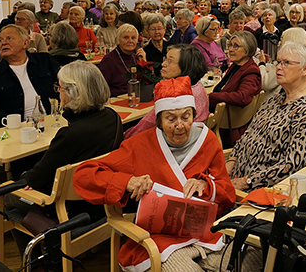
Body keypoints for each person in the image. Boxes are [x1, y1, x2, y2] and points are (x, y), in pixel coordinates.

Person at [73, 76, 235, 272]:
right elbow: (83, 175)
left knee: (249, 257)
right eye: (170, 119)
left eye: (186, 117)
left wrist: (206, 186)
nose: (180, 125)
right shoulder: (140, 145)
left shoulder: (207, 140)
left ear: (194, 114)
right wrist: (127, 181)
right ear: (158, 121)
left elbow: (228, 193)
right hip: (158, 240)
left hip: (204, 234)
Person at [7, 61, 123, 253]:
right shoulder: (113, 117)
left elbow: (36, 178)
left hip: (71, 209)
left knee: (8, 196)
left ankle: (41, 257)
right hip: (103, 198)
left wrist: (26, 178)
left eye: (59, 88)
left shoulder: (70, 134)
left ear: (72, 92)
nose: (57, 93)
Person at [228, 42, 306, 190]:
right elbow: (247, 137)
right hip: (234, 184)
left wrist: (245, 182)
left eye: (286, 63)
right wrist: (228, 167)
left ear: (305, 69)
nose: (279, 67)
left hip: (265, 194)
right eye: (278, 62)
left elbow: (292, 166)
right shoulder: (273, 100)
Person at [0, 25, 60, 128]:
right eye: (0, 40)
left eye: (9, 38)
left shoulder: (45, 61)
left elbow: (64, 86)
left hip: (53, 121)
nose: (3, 43)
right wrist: (8, 121)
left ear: (25, 43)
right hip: (16, 127)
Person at [124, 44, 209, 139]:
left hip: (170, 146)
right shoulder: (199, 87)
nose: (163, 64)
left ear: (186, 66)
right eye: (165, 59)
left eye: (170, 61)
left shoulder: (175, 96)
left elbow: (141, 130)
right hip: (194, 141)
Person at [209, 31, 261, 146]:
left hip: (230, 128)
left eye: (236, 46)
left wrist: (213, 97)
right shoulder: (236, 66)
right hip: (223, 120)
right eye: (230, 45)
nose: (230, 49)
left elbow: (243, 97)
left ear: (247, 49)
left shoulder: (251, 71)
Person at [260, 27, 306, 103]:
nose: (280, 43)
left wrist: (261, 63)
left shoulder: (285, 67)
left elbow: (264, 83)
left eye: (282, 39)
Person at [97, 24, 145, 97]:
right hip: (116, 100)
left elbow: (148, 82)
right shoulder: (109, 60)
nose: (130, 41)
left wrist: (143, 62)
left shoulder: (136, 57)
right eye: (126, 38)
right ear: (118, 40)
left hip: (136, 98)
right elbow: (99, 87)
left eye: (133, 38)